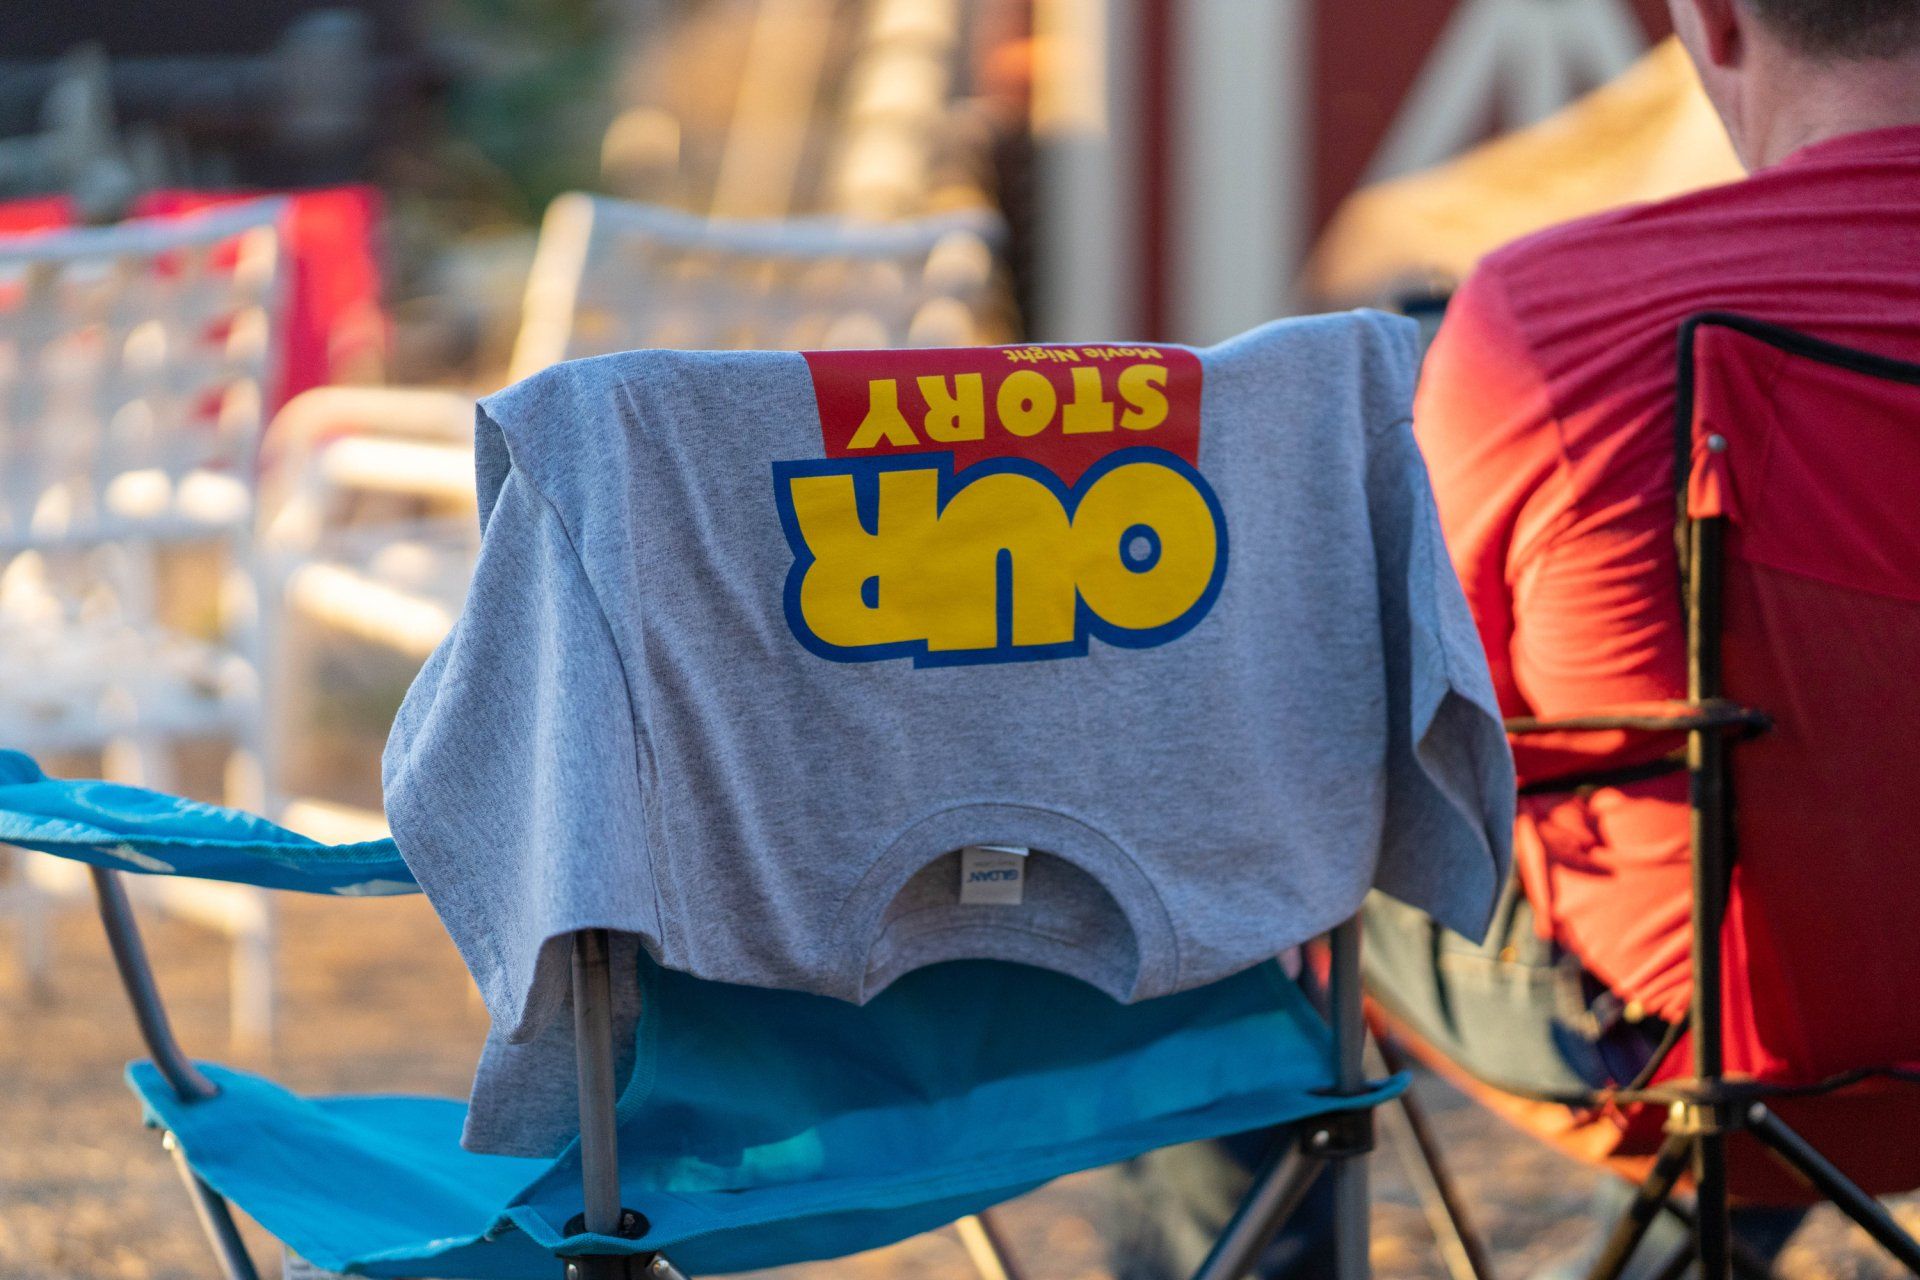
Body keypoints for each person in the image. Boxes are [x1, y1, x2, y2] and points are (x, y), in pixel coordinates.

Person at [1114, 1, 1920, 1274]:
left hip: (1679, 1047)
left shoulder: (1562, 315)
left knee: (1212, 834)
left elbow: (1409, 713)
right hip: (1816, 1043)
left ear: (1714, 23)